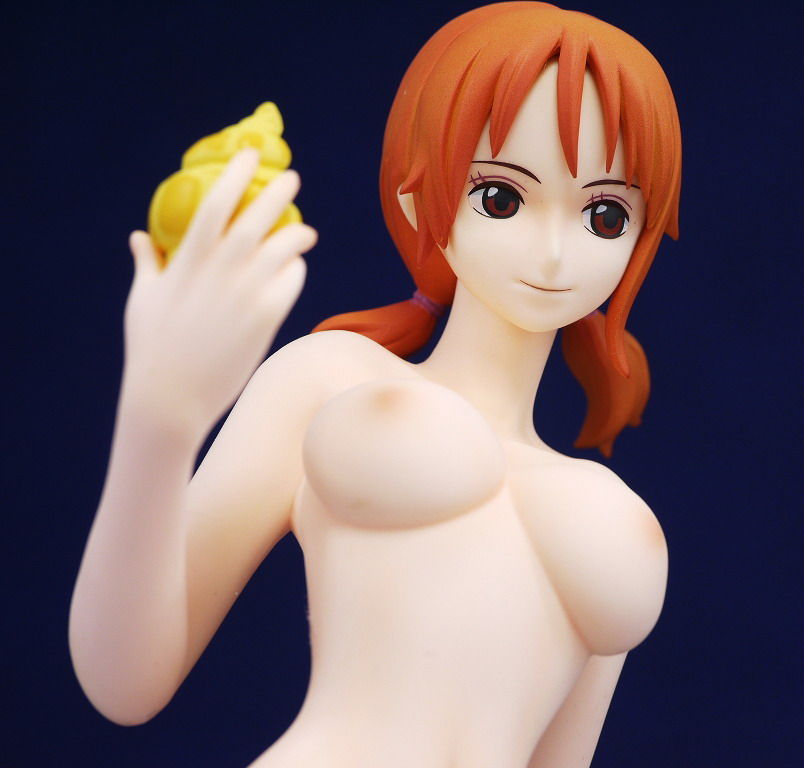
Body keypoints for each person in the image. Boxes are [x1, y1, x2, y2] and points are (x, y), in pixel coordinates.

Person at [69, 3, 682, 766]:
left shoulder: (610, 512)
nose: (555, 252)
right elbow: (125, 680)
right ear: (417, 196)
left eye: (605, 213)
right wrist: (159, 419)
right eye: (501, 197)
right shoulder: (328, 379)